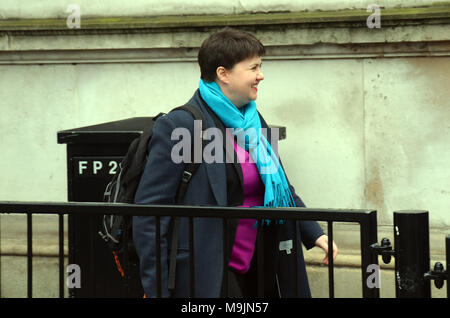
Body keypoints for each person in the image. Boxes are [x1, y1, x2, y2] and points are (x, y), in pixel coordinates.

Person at [132, 27, 338, 298]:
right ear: (223, 73)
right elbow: (150, 214)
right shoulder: (181, 126)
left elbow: (281, 187)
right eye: (253, 68)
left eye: (260, 67)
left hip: (263, 265)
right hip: (210, 272)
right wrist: (157, 289)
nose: (260, 76)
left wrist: (314, 233)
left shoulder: (254, 121)